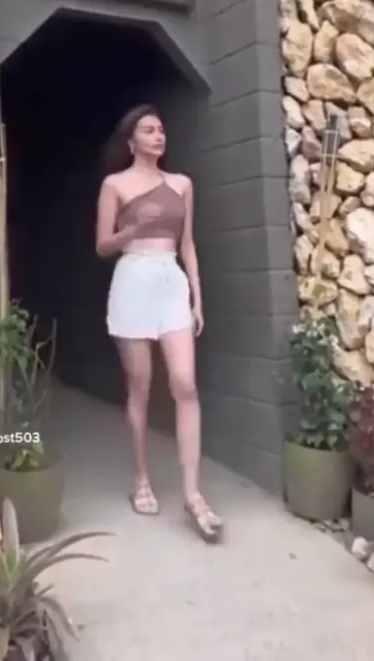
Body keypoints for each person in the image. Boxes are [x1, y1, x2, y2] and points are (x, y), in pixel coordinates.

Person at [95, 104, 223, 543]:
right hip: (132, 277)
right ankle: (142, 478)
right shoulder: (115, 184)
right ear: (131, 140)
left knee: (185, 384)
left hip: (171, 279)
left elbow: (187, 245)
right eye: (148, 130)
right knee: (141, 386)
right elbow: (102, 244)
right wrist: (132, 231)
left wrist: (197, 297)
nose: (158, 135)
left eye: (161, 129)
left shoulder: (182, 184)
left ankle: (193, 494)